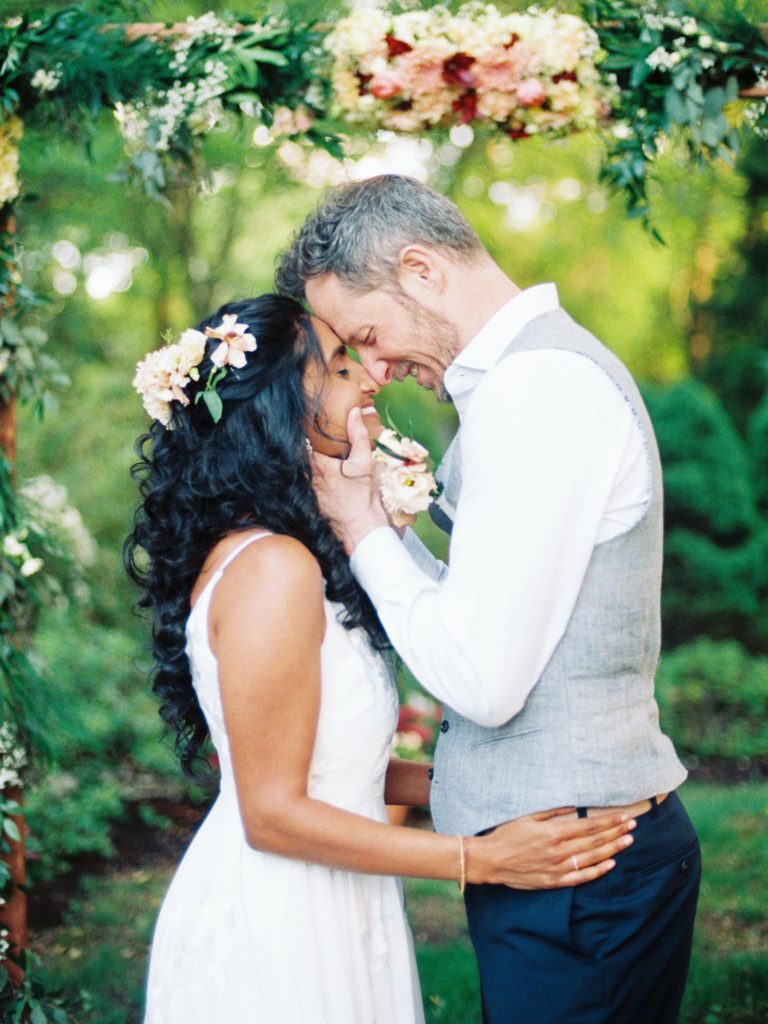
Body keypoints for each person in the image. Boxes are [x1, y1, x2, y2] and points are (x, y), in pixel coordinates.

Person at [124, 294, 635, 1024]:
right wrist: (477, 859)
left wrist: (501, 786)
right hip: (280, 922)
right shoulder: (273, 568)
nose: (367, 380)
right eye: (336, 368)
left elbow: (323, 763)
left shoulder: (285, 554)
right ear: (277, 409)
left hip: (339, 895)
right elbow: (270, 811)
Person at [275, 175, 702, 1024]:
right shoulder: (528, 381)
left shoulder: (537, 389)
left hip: (581, 878)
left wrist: (362, 529)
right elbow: (486, 617)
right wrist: (383, 534)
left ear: (423, 270)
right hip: (565, 863)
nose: (379, 367)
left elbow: (479, 677)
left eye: (368, 332)